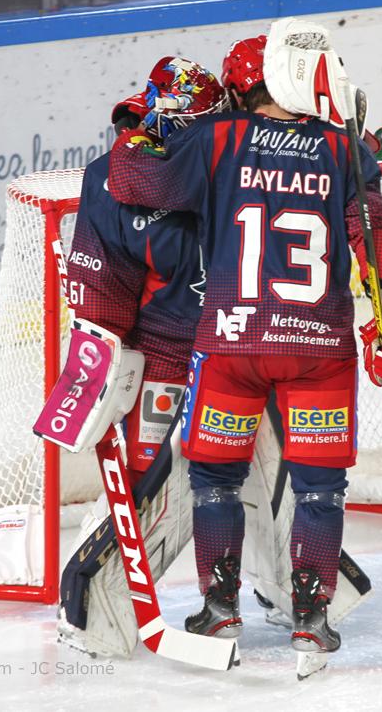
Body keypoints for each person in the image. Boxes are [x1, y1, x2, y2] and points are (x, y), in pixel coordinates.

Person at [105, 23, 382, 674]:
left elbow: (136, 184)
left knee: (216, 479)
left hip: (231, 344)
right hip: (319, 347)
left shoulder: (219, 140)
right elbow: (374, 232)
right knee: (321, 488)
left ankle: (220, 608)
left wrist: (135, 134)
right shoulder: (342, 149)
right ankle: (310, 619)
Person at [67, 56, 228, 486]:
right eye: (190, 122)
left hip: (240, 348)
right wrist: (95, 367)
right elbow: (103, 287)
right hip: (166, 353)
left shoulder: (242, 154)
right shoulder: (111, 178)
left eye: (209, 120)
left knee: (248, 480)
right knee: (149, 477)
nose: (201, 133)